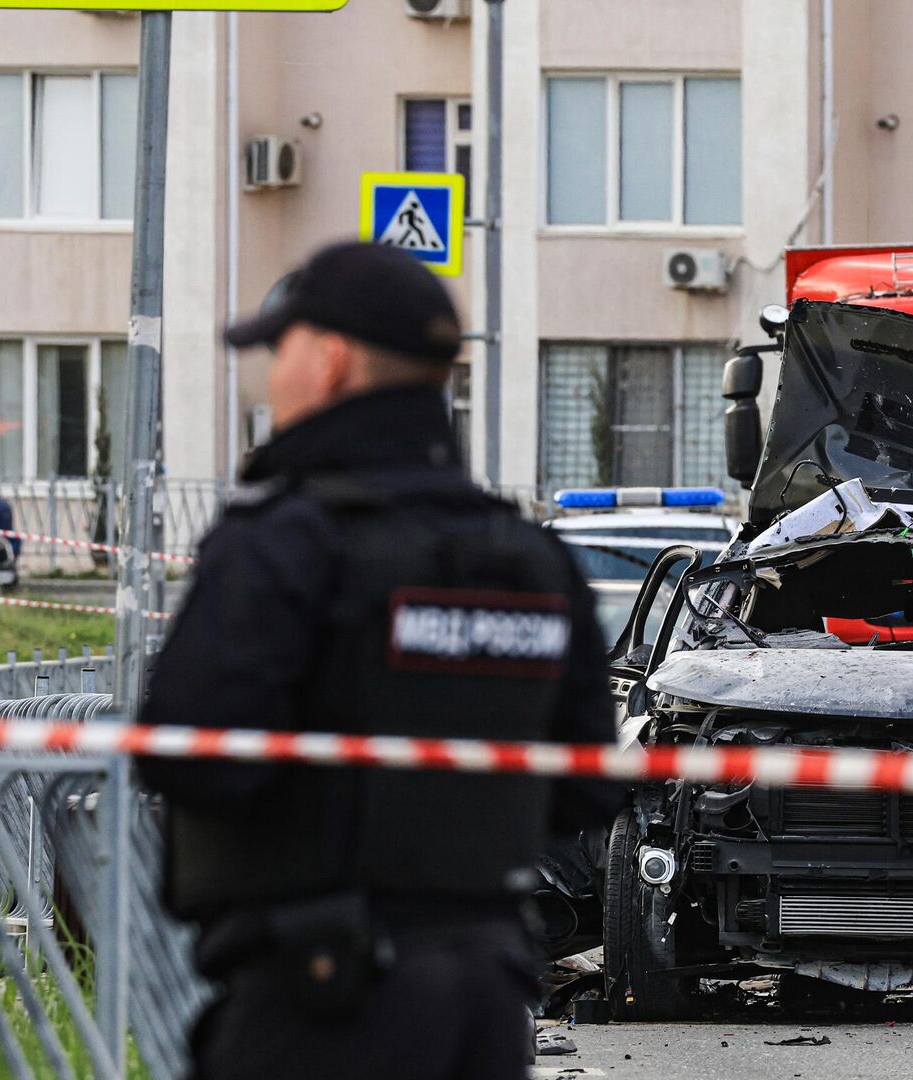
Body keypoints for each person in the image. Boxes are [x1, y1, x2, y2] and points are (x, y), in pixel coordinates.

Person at [136, 240, 617, 1079]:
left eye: (278, 350)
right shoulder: (530, 559)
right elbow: (585, 786)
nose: (269, 377)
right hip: (488, 992)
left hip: (318, 994)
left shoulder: (286, 541)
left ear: (328, 362)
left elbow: (191, 758)